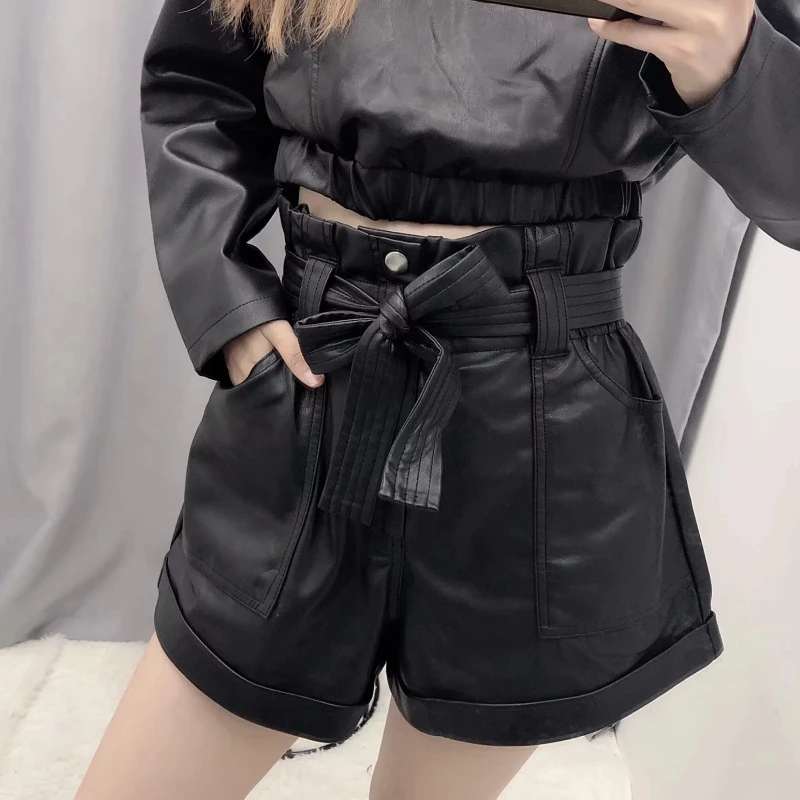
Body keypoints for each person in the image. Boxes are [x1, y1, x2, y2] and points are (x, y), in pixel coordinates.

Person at [77, 1, 799, 798]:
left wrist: (737, 67)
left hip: (542, 425)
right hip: (320, 373)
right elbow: (195, 84)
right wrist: (230, 307)